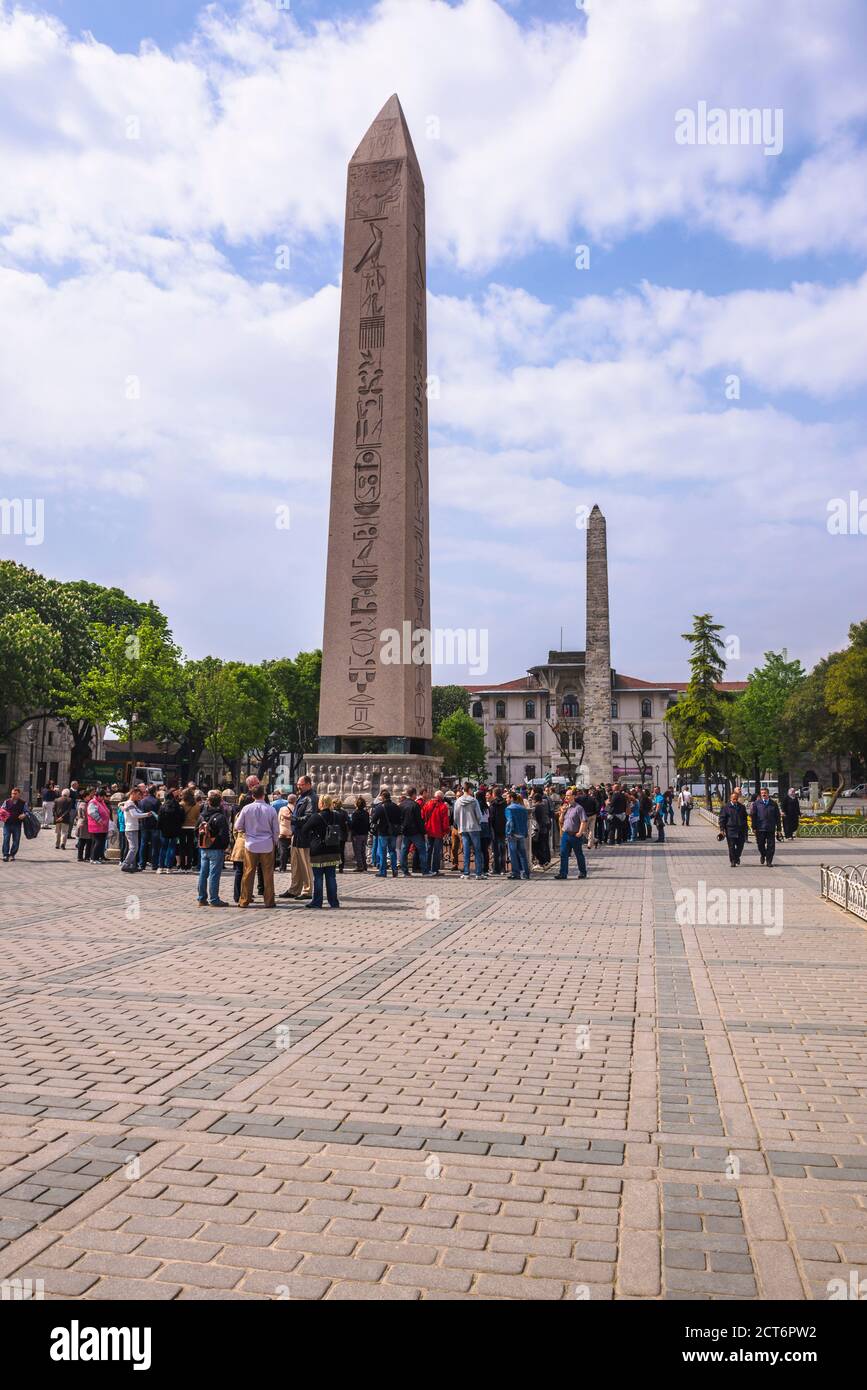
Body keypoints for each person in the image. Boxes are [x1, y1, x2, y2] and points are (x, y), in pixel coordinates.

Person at [235, 785, 279, 908]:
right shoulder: (270, 810)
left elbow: (237, 826)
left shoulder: (246, 808)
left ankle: (244, 900)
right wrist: (274, 842)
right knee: (268, 873)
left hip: (251, 844)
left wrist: (247, 831)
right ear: (264, 795)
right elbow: (276, 830)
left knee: (248, 872)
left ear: (253, 796)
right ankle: (269, 901)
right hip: (267, 844)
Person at [304, 795, 342, 909]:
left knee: (318, 878)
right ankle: (334, 902)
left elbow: (305, 829)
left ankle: (317, 901)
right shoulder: (337, 815)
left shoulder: (316, 817)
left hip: (319, 850)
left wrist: (312, 837)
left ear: (321, 803)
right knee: (331, 877)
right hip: (333, 849)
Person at [284, 776, 317, 899]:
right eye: (298, 784)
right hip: (297, 834)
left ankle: (307, 890)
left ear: (308, 784)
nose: (298, 786)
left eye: (301, 784)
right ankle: (294, 889)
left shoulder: (311, 798)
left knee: (305, 864)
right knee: (295, 864)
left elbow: (309, 818)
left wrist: (292, 819)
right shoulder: (302, 797)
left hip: (305, 835)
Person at [197, 789, 231, 906]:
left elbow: (196, 830)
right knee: (214, 874)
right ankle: (214, 899)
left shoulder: (202, 816)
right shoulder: (220, 817)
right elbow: (224, 835)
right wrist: (225, 847)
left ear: (208, 802)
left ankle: (201, 898)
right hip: (216, 849)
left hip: (204, 847)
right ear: (220, 802)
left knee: (203, 873)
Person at [454, 783, 484, 879]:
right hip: (474, 827)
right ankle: (478, 873)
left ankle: (466, 873)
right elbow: (479, 815)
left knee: (466, 850)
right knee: (477, 850)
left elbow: (455, 816)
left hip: (463, 827)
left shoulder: (458, 801)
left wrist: (459, 825)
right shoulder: (474, 800)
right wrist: (479, 822)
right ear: (470, 789)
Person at [556, 795, 587, 879]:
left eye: (568, 795)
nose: (566, 797)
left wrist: (580, 832)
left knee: (578, 854)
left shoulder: (579, 808)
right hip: (566, 834)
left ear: (573, 796)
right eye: (566, 795)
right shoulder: (565, 807)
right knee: (563, 854)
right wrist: (562, 813)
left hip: (575, 834)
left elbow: (583, 821)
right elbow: (560, 821)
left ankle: (582, 872)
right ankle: (563, 873)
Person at [399, 787, 428, 876]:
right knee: (422, 850)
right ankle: (424, 870)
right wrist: (423, 832)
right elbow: (419, 820)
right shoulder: (415, 805)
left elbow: (400, 818)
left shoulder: (402, 804)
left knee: (404, 850)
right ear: (414, 794)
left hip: (405, 831)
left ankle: (405, 870)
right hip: (415, 832)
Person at [372, 790, 401, 877]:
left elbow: (374, 820)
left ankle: (383, 871)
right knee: (392, 851)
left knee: (383, 852)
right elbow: (400, 819)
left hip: (383, 832)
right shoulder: (396, 807)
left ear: (383, 797)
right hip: (393, 832)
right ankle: (394, 869)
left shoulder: (380, 807)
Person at [750, 787, 781, 866]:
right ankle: (763, 854)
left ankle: (769, 861)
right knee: (760, 844)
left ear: (768, 794)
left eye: (765, 793)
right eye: (762, 793)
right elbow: (753, 816)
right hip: (760, 828)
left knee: (771, 846)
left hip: (770, 827)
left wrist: (779, 829)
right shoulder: (757, 803)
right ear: (761, 794)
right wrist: (753, 827)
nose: (763, 794)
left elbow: (777, 817)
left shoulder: (773, 804)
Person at [422, 789, 449, 876]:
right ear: (442, 797)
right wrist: (446, 831)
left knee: (428, 850)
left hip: (429, 830)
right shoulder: (443, 806)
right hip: (438, 831)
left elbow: (422, 816)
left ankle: (427, 868)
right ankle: (435, 869)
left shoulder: (427, 804)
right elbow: (445, 821)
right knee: (437, 851)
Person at [156, 788, 184, 873]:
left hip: (164, 830)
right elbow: (182, 818)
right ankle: (169, 867)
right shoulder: (177, 806)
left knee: (163, 848)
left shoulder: (163, 806)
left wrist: (159, 828)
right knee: (172, 848)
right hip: (175, 829)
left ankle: (160, 867)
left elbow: (159, 819)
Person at [718, 787, 748, 866]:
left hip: (740, 830)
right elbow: (722, 819)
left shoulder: (742, 807)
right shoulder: (726, 807)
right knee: (731, 847)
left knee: (740, 847)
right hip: (730, 830)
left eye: (736, 799)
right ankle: (733, 861)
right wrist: (722, 829)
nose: (735, 800)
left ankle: (737, 857)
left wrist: (746, 828)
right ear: (730, 799)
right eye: (733, 799)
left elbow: (745, 818)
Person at [120, 787, 147, 872]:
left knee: (134, 848)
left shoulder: (131, 803)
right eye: (138, 795)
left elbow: (138, 812)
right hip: (131, 828)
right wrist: (147, 814)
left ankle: (131, 865)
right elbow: (135, 815)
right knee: (133, 848)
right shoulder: (130, 803)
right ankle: (126, 864)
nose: (139, 797)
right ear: (133, 793)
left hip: (132, 828)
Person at [505, 790, 530, 880]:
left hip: (513, 834)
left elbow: (510, 821)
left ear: (511, 798)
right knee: (522, 854)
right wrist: (525, 832)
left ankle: (516, 873)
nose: (506, 799)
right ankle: (526, 873)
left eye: (507, 798)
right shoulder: (522, 808)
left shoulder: (509, 808)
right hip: (521, 833)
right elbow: (525, 822)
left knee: (513, 854)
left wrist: (509, 832)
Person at [1, 787, 29, 861]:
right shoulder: (6, 802)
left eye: (15, 794)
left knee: (16, 840)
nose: (13, 795)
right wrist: (3, 816)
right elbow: (2, 810)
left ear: (19, 794)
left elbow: (27, 812)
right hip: (7, 824)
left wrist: (24, 815)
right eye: (12, 793)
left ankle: (12, 854)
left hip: (17, 824)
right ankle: (5, 854)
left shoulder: (23, 803)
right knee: (6, 839)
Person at [87, 789, 110, 863]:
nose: (103, 798)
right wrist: (100, 821)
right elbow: (92, 813)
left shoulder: (101, 802)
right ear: (98, 796)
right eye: (102, 796)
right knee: (98, 842)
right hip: (96, 826)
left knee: (100, 842)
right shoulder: (93, 802)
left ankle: (97, 857)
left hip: (102, 826)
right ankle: (94, 858)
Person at [349, 796, 371, 871]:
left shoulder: (355, 813)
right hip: (364, 833)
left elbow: (353, 824)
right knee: (363, 850)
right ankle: (364, 865)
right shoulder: (366, 813)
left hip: (357, 834)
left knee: (357, 851)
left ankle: (360, 866)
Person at [531, 791, 551, 865]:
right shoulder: (544, 805)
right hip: (544, 827)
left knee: (536, 846)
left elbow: (537, 819)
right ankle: (546, 860)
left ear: (535, 799)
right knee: (544, 844)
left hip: (539, 829)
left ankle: (542, 861)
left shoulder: (536, 807)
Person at [277, 796, 294, 873]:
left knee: (283, 851)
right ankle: (294, 867)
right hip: (293, 833)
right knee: (293, 852)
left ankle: (282, 867)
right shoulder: (296, 808)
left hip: (283, 832)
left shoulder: (282, 809)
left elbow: (278, 820)